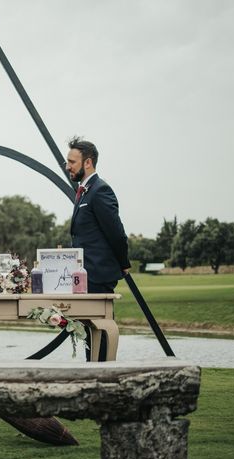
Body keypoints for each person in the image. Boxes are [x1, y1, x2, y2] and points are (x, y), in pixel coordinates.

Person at [66, 136, 130, 360]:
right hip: (85, 276)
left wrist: (124, 264)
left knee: (99, 333)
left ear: (88, 162)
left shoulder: (100, 190)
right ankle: (93, 374)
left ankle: (103, 376)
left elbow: (116, 233)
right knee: (88, 335)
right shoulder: (84, 191)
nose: (68, 166)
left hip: (98, 275)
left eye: (72, 162)